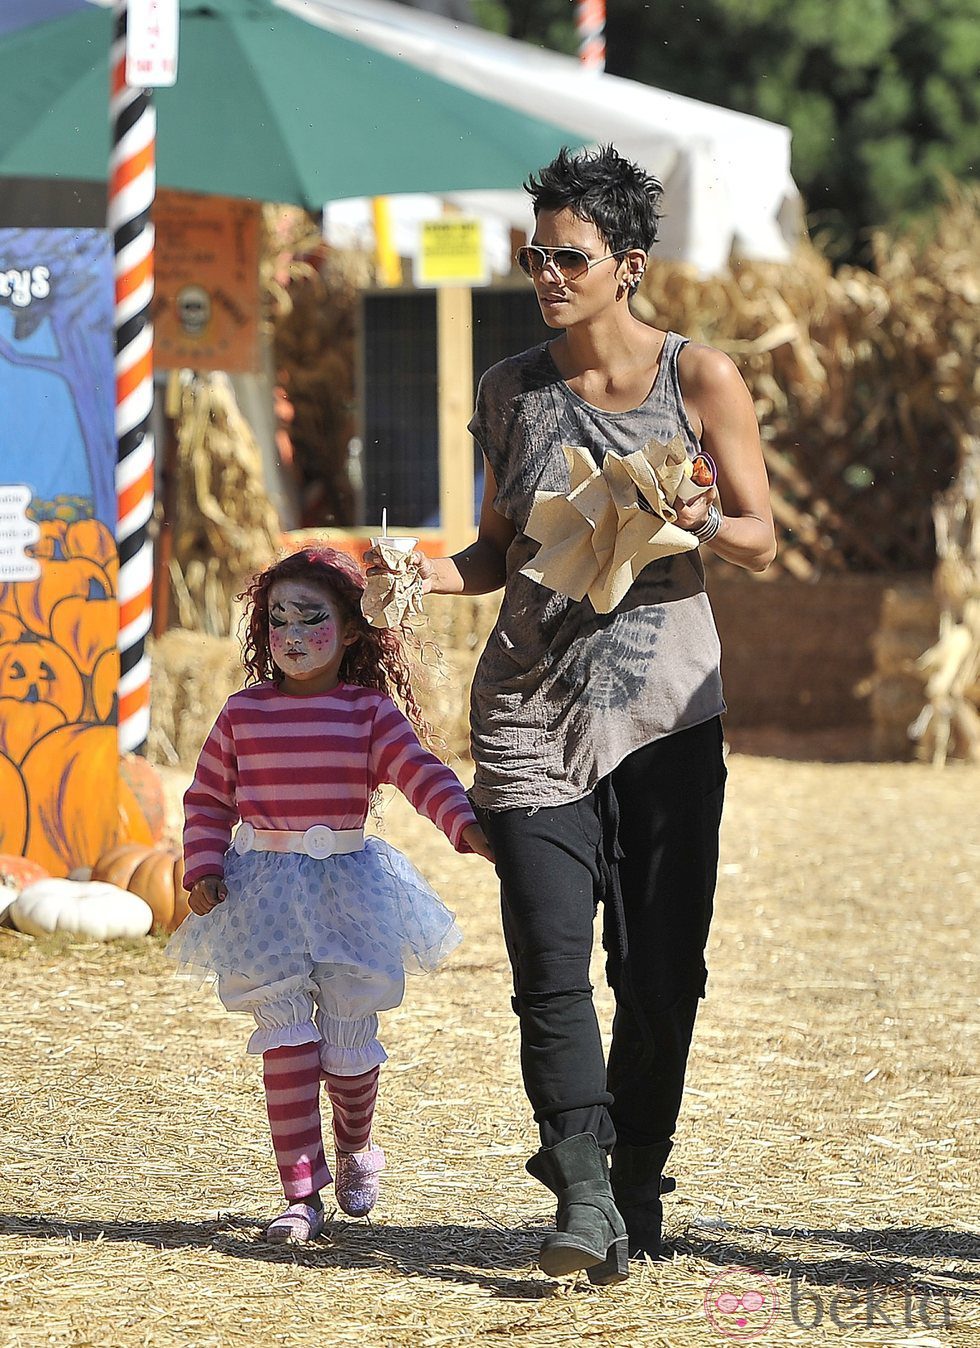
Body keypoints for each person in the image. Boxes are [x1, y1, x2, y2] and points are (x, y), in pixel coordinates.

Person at [367, 144, 775, 1284]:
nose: (544, 272)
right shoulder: (508, 391)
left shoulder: (698, 381)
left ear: (626, 265)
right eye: (532, 254)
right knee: (547, 965)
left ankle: (636, 1168)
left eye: (568, 256)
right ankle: (582, 1190)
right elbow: (497, 553)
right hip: (527, 719)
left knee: (658, 973)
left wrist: (691, 519)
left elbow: (760, 533)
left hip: (665, 717)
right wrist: (410, 573)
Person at [165, 545, 493, 1245]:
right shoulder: (242, 714)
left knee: (346, 1048)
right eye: (276, 621)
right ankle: (300, 1194)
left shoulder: (367, 713)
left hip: (349, 887)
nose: (290, 637)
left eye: (309, 619)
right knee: (285, 1038)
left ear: (349, 631)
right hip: (263, 891)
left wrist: (466, 825)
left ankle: (354, 1145)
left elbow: (420, 774)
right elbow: (206, 799)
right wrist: (201, 868)